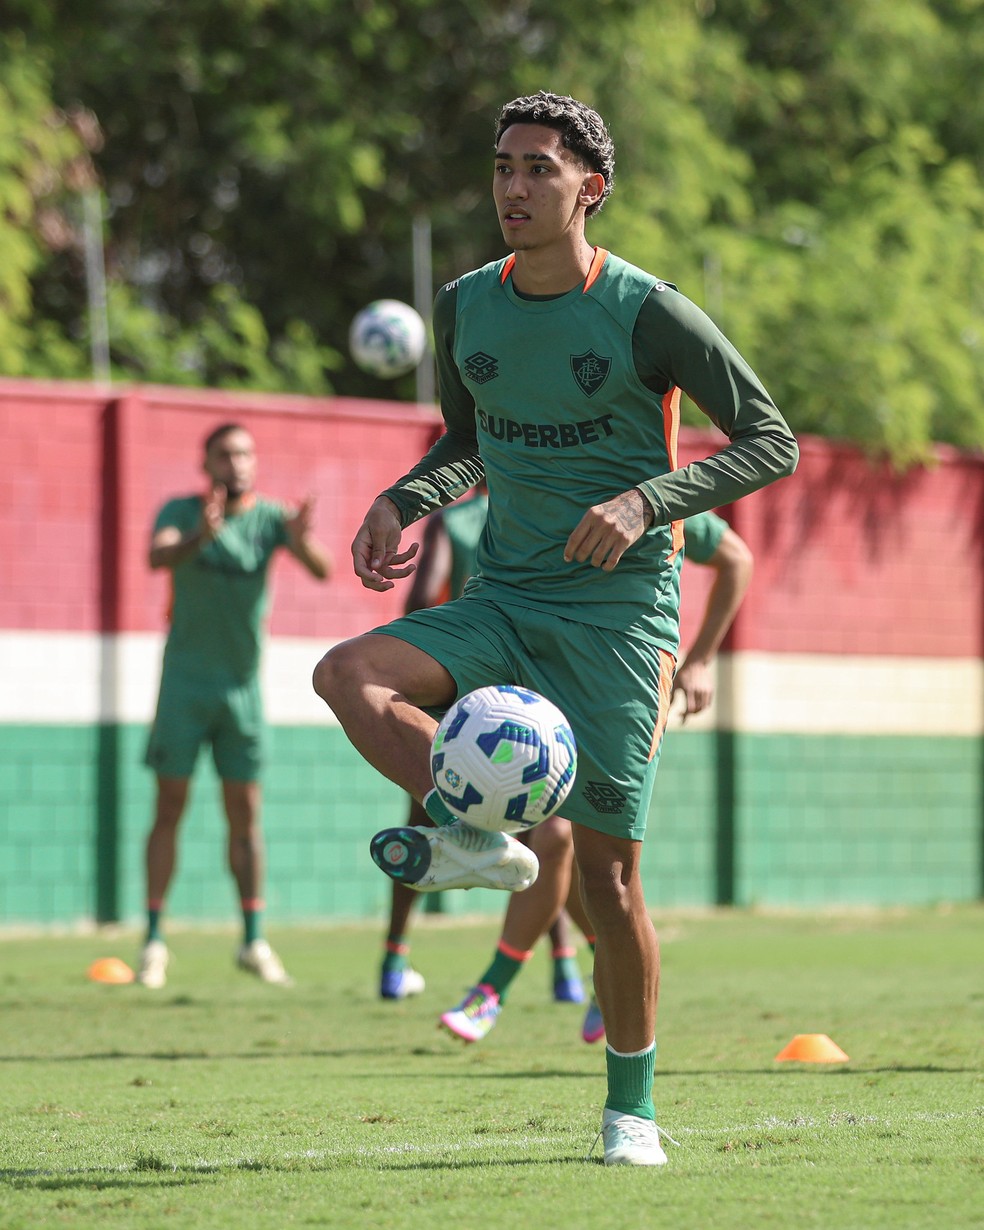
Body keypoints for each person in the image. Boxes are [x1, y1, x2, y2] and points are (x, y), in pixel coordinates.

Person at [312, 90, 797, 1167]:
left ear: (593, 186)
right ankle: (473, 838)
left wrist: (646, 502)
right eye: (502, 168)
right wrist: (404, 498)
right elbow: (469, 444)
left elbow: (773, 442)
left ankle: (632, 1114)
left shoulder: (646, 311)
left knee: (607, 882)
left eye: (538, 168)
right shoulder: (465, 304)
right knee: (348, 674)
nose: (514, 188)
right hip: (505, 601)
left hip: (622, 622)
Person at [438, 510, 754, 1044]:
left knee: (574, 849)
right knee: (565, 854)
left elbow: (736, 559)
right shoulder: (537, 485)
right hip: (533, 702)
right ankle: (602, 971)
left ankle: (492, 990)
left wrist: (700, 660)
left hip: (617, 701)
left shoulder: (649, 485)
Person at [138, 422, 331, 990]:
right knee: (169, 807)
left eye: (245, 452)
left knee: (245, 816)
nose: (238, 462)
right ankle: (153, 940)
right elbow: (156, 557)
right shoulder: (181, 510)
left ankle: (253, 940)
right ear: (207, 462)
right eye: (225, 453)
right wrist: (200, 535)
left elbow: (321, 570)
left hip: (243, 691)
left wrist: (298, 536)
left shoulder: (271, 519)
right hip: (184, 686)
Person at [379, 484, 587, 1003]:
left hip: (465, 694)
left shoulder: (455, 520)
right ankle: (564, 970)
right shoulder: (551, 510)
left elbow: (421, 599)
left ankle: (393, 959)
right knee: (539, 830)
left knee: (425, 817)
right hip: (532, 697)